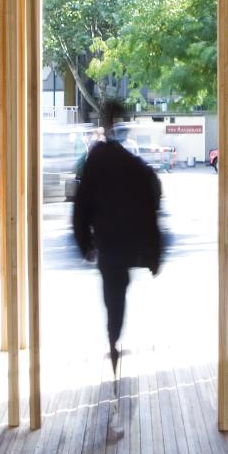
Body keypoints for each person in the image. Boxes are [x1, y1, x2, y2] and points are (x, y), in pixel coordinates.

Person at [70, 131, 167, 375]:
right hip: (129, 240)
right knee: (119, 288)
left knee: (112, 290)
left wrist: (85, 244)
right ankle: (114, 333)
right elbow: (151, 200)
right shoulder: (132, 166)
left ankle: (113, 336)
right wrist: (153, 250)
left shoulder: (95, 169)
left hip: (106, 241)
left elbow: (80, 209)